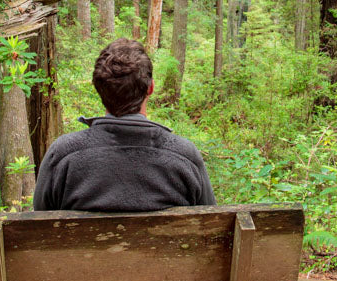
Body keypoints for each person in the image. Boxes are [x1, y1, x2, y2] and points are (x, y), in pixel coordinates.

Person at [33, 38, 216, 212]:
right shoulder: (184, 156)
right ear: (150, 88)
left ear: (98, 88)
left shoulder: (63, 155)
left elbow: (39, 223)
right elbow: (211, 222)